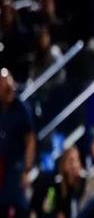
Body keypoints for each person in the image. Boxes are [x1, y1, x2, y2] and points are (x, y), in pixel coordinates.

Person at [0, 68, 36, 218]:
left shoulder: (21, 109)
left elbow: (30, 141)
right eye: (3, 86)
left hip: (16, 166)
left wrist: (27, 170)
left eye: (9, 85)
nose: (8, 89)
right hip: (2, 165)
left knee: (20, 205)